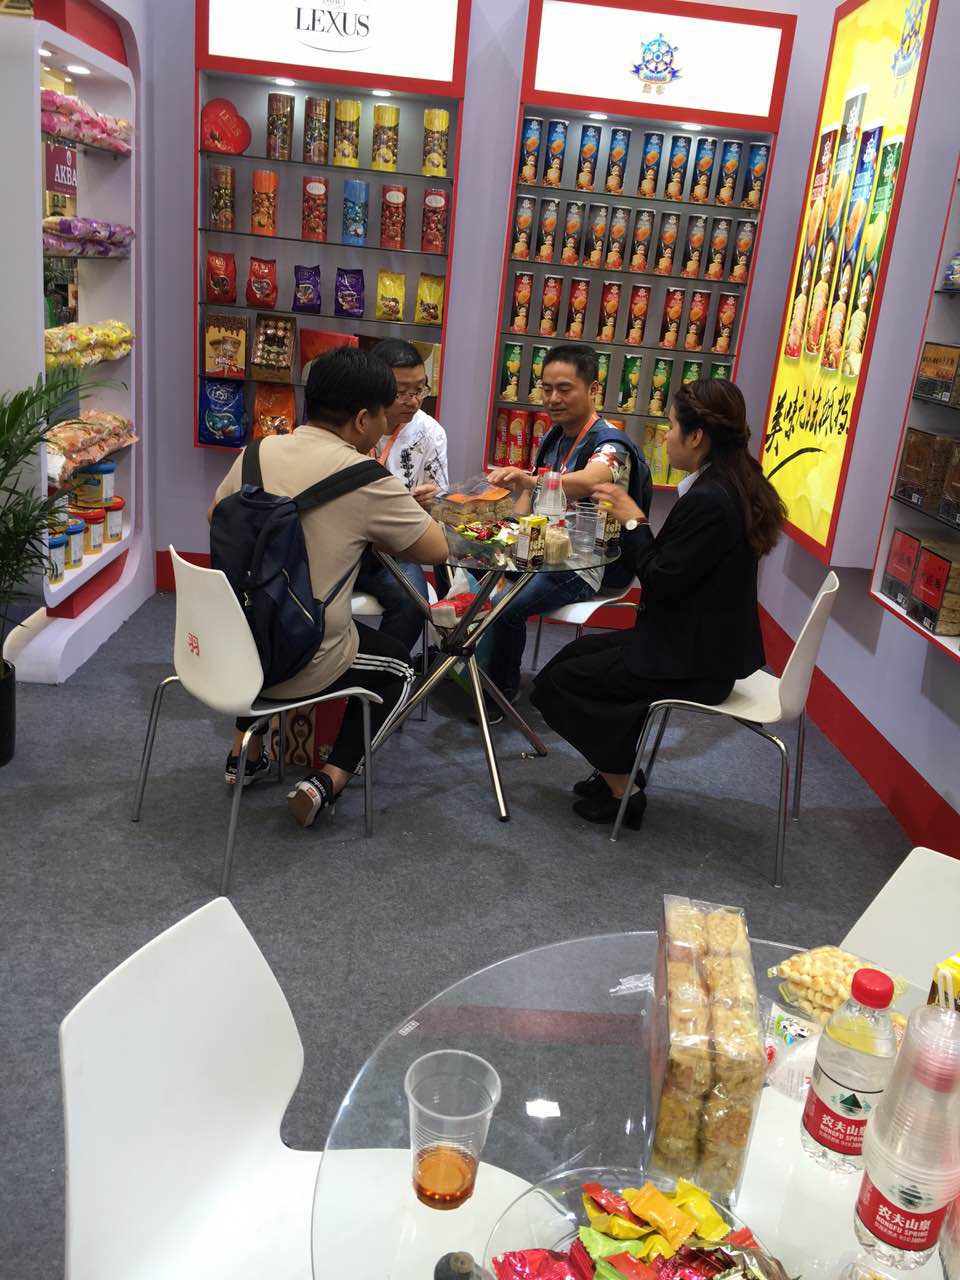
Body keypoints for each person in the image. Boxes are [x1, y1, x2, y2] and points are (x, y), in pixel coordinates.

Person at [531, 378, 787, 828]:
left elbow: (660, 580)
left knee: (556, 685)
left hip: (693, 662)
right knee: (573, 658)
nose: (666, 436)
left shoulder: (712, 499)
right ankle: (612, 768)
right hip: (694, 644)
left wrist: (633, 521)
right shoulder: (732, 481)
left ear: (697, 436)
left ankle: (623, 789)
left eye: (671, 426)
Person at [210, 347, 448, 827]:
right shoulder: (367, 478)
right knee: (400, 671)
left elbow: (216, 517)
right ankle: (329, 779)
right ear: (362, 419)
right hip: (304, 656)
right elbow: (436, 549)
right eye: (382, 414)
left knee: (266, 613)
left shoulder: (255, 453)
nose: (385, 424)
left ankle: (245, 751)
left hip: (229, 650)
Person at [482, 344, 652, 721]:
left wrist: (531, 481)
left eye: (564, 389)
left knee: (505, 607)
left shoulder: (612, 443)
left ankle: (501, 691)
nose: (553, 398)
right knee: (477, 572)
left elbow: (591, 480)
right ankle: (470, 669)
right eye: (546, 389)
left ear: (593, 389)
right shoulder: (555, 437)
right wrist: (507, 528)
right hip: (546, 551)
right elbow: (529, 497)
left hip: (588, 565)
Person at [352, 338, 449, 652]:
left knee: (413, 603)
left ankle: (385, 673)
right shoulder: (352, 423)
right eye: (402, 392)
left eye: (420, 389)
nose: (413, 400)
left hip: (393, 547)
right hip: (345, 538)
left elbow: (442, 499)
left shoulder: (430, 433)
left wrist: (434, 499)